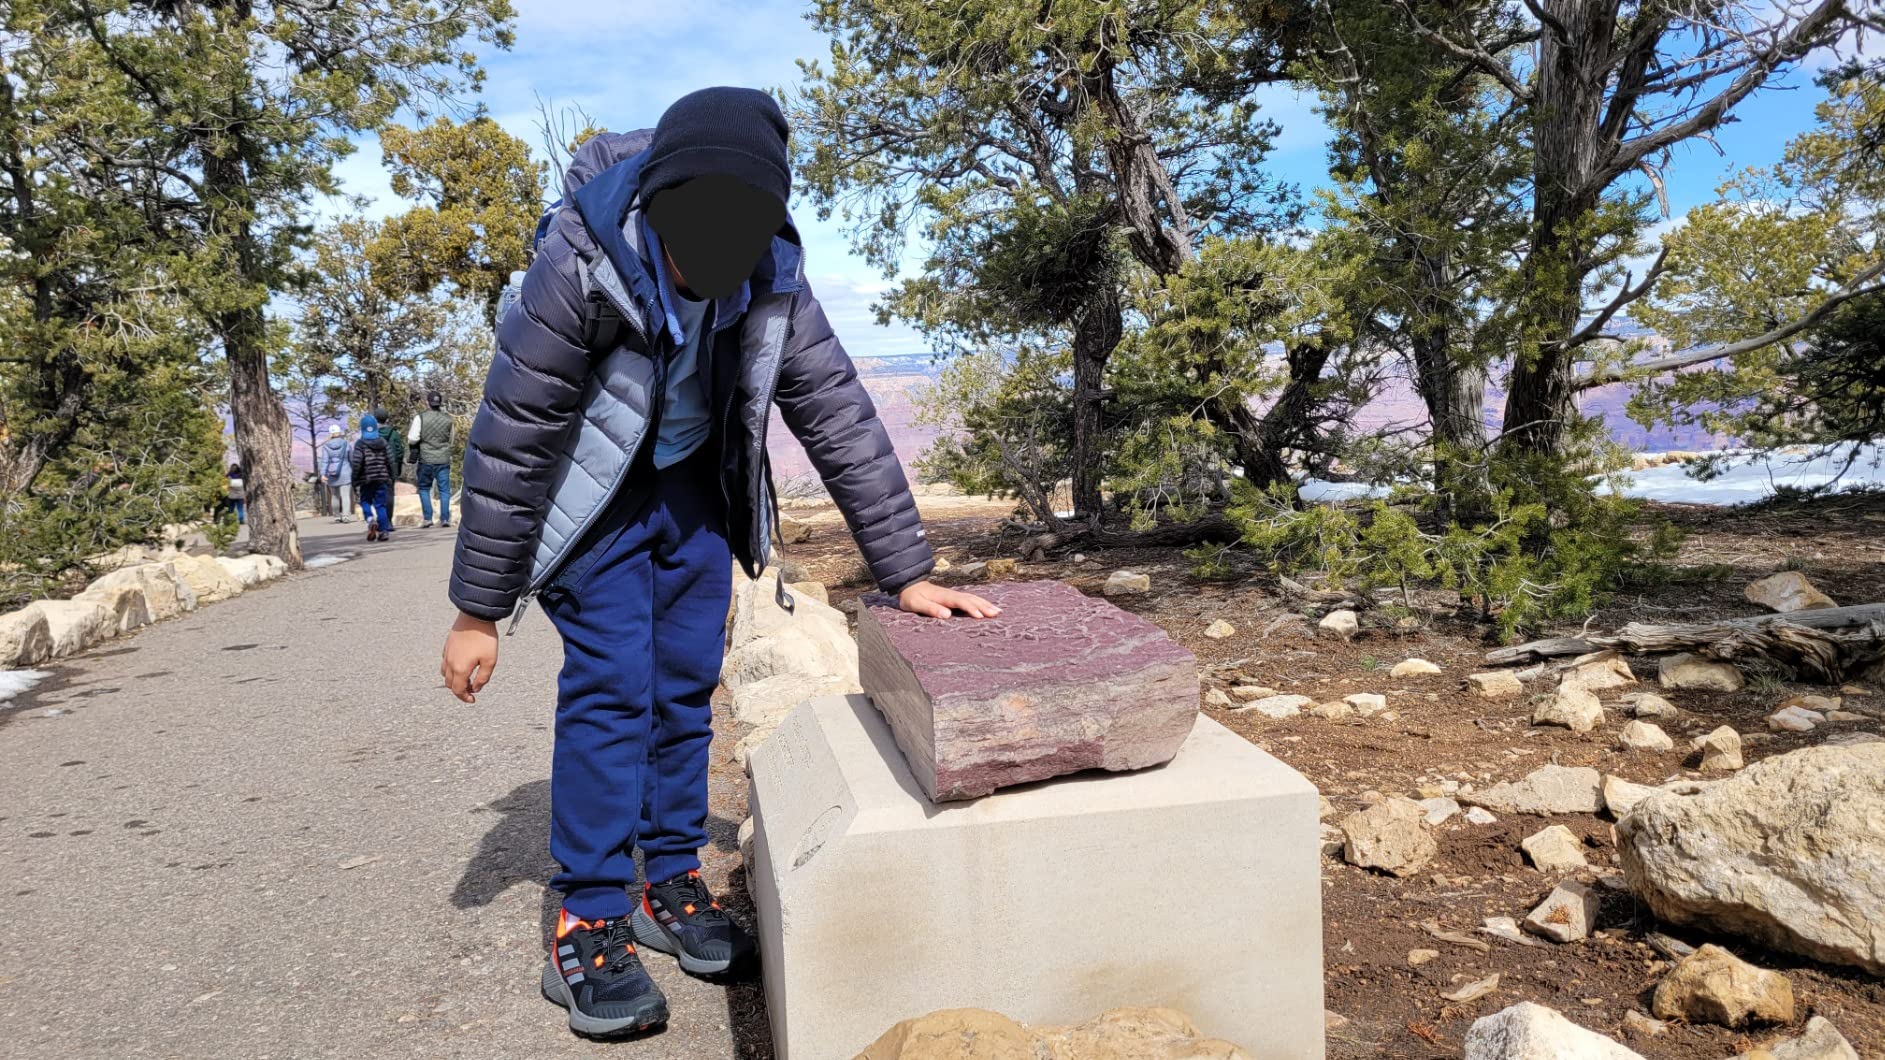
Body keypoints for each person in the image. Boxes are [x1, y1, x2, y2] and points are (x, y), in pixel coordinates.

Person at [436, 88, 998, 1040]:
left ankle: (668, 877)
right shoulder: (578, 260)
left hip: (696, 489)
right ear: (655, 202)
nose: (709, 263)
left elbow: (836, 412)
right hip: (596, 504)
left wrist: (904, 569)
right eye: (691, 236)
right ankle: (589, 918)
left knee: (687, 682)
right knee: (615, 685)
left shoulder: (773, 265)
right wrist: (477, 609)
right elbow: (515, 433)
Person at [410, 392, 453, 528]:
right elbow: (451, 440)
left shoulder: (420, 418)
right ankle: (445, 518)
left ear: (427, 402)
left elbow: (413, 438)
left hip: (426, 459)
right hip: (443, 459)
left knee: (423, 488)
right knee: (444, 490)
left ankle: (428, 518)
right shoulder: (448, 419)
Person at [351, 414, 396, 542]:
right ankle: (383, 531)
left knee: (365, 501)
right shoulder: (383, 442)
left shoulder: (360, 444)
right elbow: (390, 460)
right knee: (380, 505)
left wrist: (354, 479)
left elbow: (357, 463)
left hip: (366, 479)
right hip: (381, 478)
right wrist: (392, 476)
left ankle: (370, 519)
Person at [317, 424, 353, 523]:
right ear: (339, 432)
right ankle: (346, 516)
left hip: (332, 474)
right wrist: (354, 470)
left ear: (330, 433)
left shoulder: (326, 446)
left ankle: (337, 516)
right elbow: (351, 459)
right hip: (345, 472)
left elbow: (324, 461)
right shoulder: (346, 444)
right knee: (345, 496)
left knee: (334, 496)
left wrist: (323, 474)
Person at [377, 406, 407, 485]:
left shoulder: (371, 435)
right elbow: (399, 451)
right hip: (391, 468)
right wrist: (398, 468)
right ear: (387, 420)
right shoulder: (394, 434)